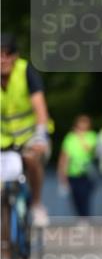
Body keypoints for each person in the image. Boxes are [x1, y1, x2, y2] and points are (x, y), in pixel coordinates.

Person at [0, 31, 53, 226]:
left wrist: (41, 136)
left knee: (31, 158)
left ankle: (37, 204)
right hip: (3, 139)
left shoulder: (25, 71)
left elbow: (40, 108)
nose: (2, 60)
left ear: (15, 56)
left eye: (7, 54)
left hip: (31, 135)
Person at [57, 114, 97, 218]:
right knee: (75, 196)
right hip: (73, 171)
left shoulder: (92, 136)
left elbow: (90, 149)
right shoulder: (70, 137)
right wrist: (62, 173)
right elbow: (64, 156)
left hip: (87, 172)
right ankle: (80, 217)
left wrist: (80, 137)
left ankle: (85, 216)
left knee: (85, 195)